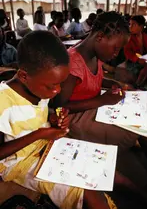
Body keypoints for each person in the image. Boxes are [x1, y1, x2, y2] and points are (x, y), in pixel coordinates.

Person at [0, 30, 133, 209]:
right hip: (20, 162)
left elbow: (36, 115)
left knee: (107, 170)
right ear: (24, 76)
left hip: (47, 145)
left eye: (60, 84)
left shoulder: (39, 86)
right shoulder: (3, 101)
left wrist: (53, 119)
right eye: (52, 85)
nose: (57, 91)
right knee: (86, 191)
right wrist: (41, 133)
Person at [50, 12, 147, 194]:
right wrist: (102, 100)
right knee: (145, 129)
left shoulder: (93, 52)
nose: (115, 54)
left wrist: (110, 83)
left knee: (146, 115)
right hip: (75, 119)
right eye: (115, 48)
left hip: (94, 104)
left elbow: (92, 77)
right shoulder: (72, 63)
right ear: (100, 37)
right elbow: (59, 107)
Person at [124, 15, 147, 89]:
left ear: (141, 27)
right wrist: (138, 59)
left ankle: (143, 82)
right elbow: (127, 53)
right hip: (132, 61)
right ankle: (138, 85)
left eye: (134, 24)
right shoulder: (129, 37)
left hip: (143, 58)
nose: (130, 26)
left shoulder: (145, 36)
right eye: (130, 24)